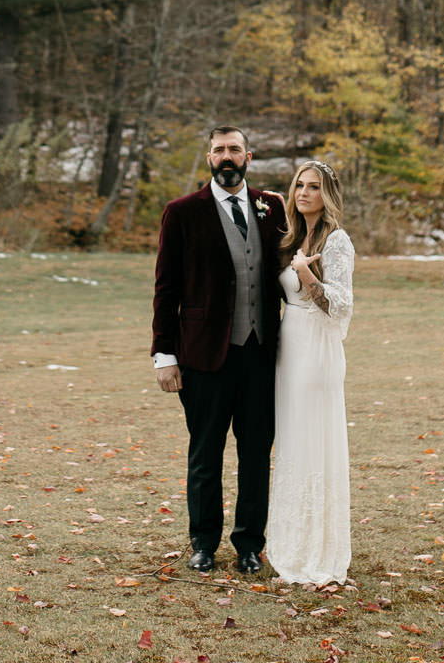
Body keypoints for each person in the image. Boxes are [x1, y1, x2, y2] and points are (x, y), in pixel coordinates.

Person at [151, 125, 286, 574]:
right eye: (218, 150)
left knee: (255, 454)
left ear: (249, 156)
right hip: (204, 356)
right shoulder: (183, 212)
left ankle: (250, 544)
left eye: (234, 149)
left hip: (262, 355)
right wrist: (163, 355)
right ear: (208, 158)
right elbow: (165, 288)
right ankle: (203, 542)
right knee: (205, 453)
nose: (226, 157)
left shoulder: (274, 206)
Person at [266, 159, 354, 586]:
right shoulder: (291, 235)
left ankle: (318, 547)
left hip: (317, 346)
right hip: (290, 344)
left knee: (314, 439)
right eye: (299, 185)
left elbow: (341, 304)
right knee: (293, 439)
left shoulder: (337, 241)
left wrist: (306, 275)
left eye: (314, 187)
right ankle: (290, 539)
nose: (303, 193)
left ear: (328, 194)